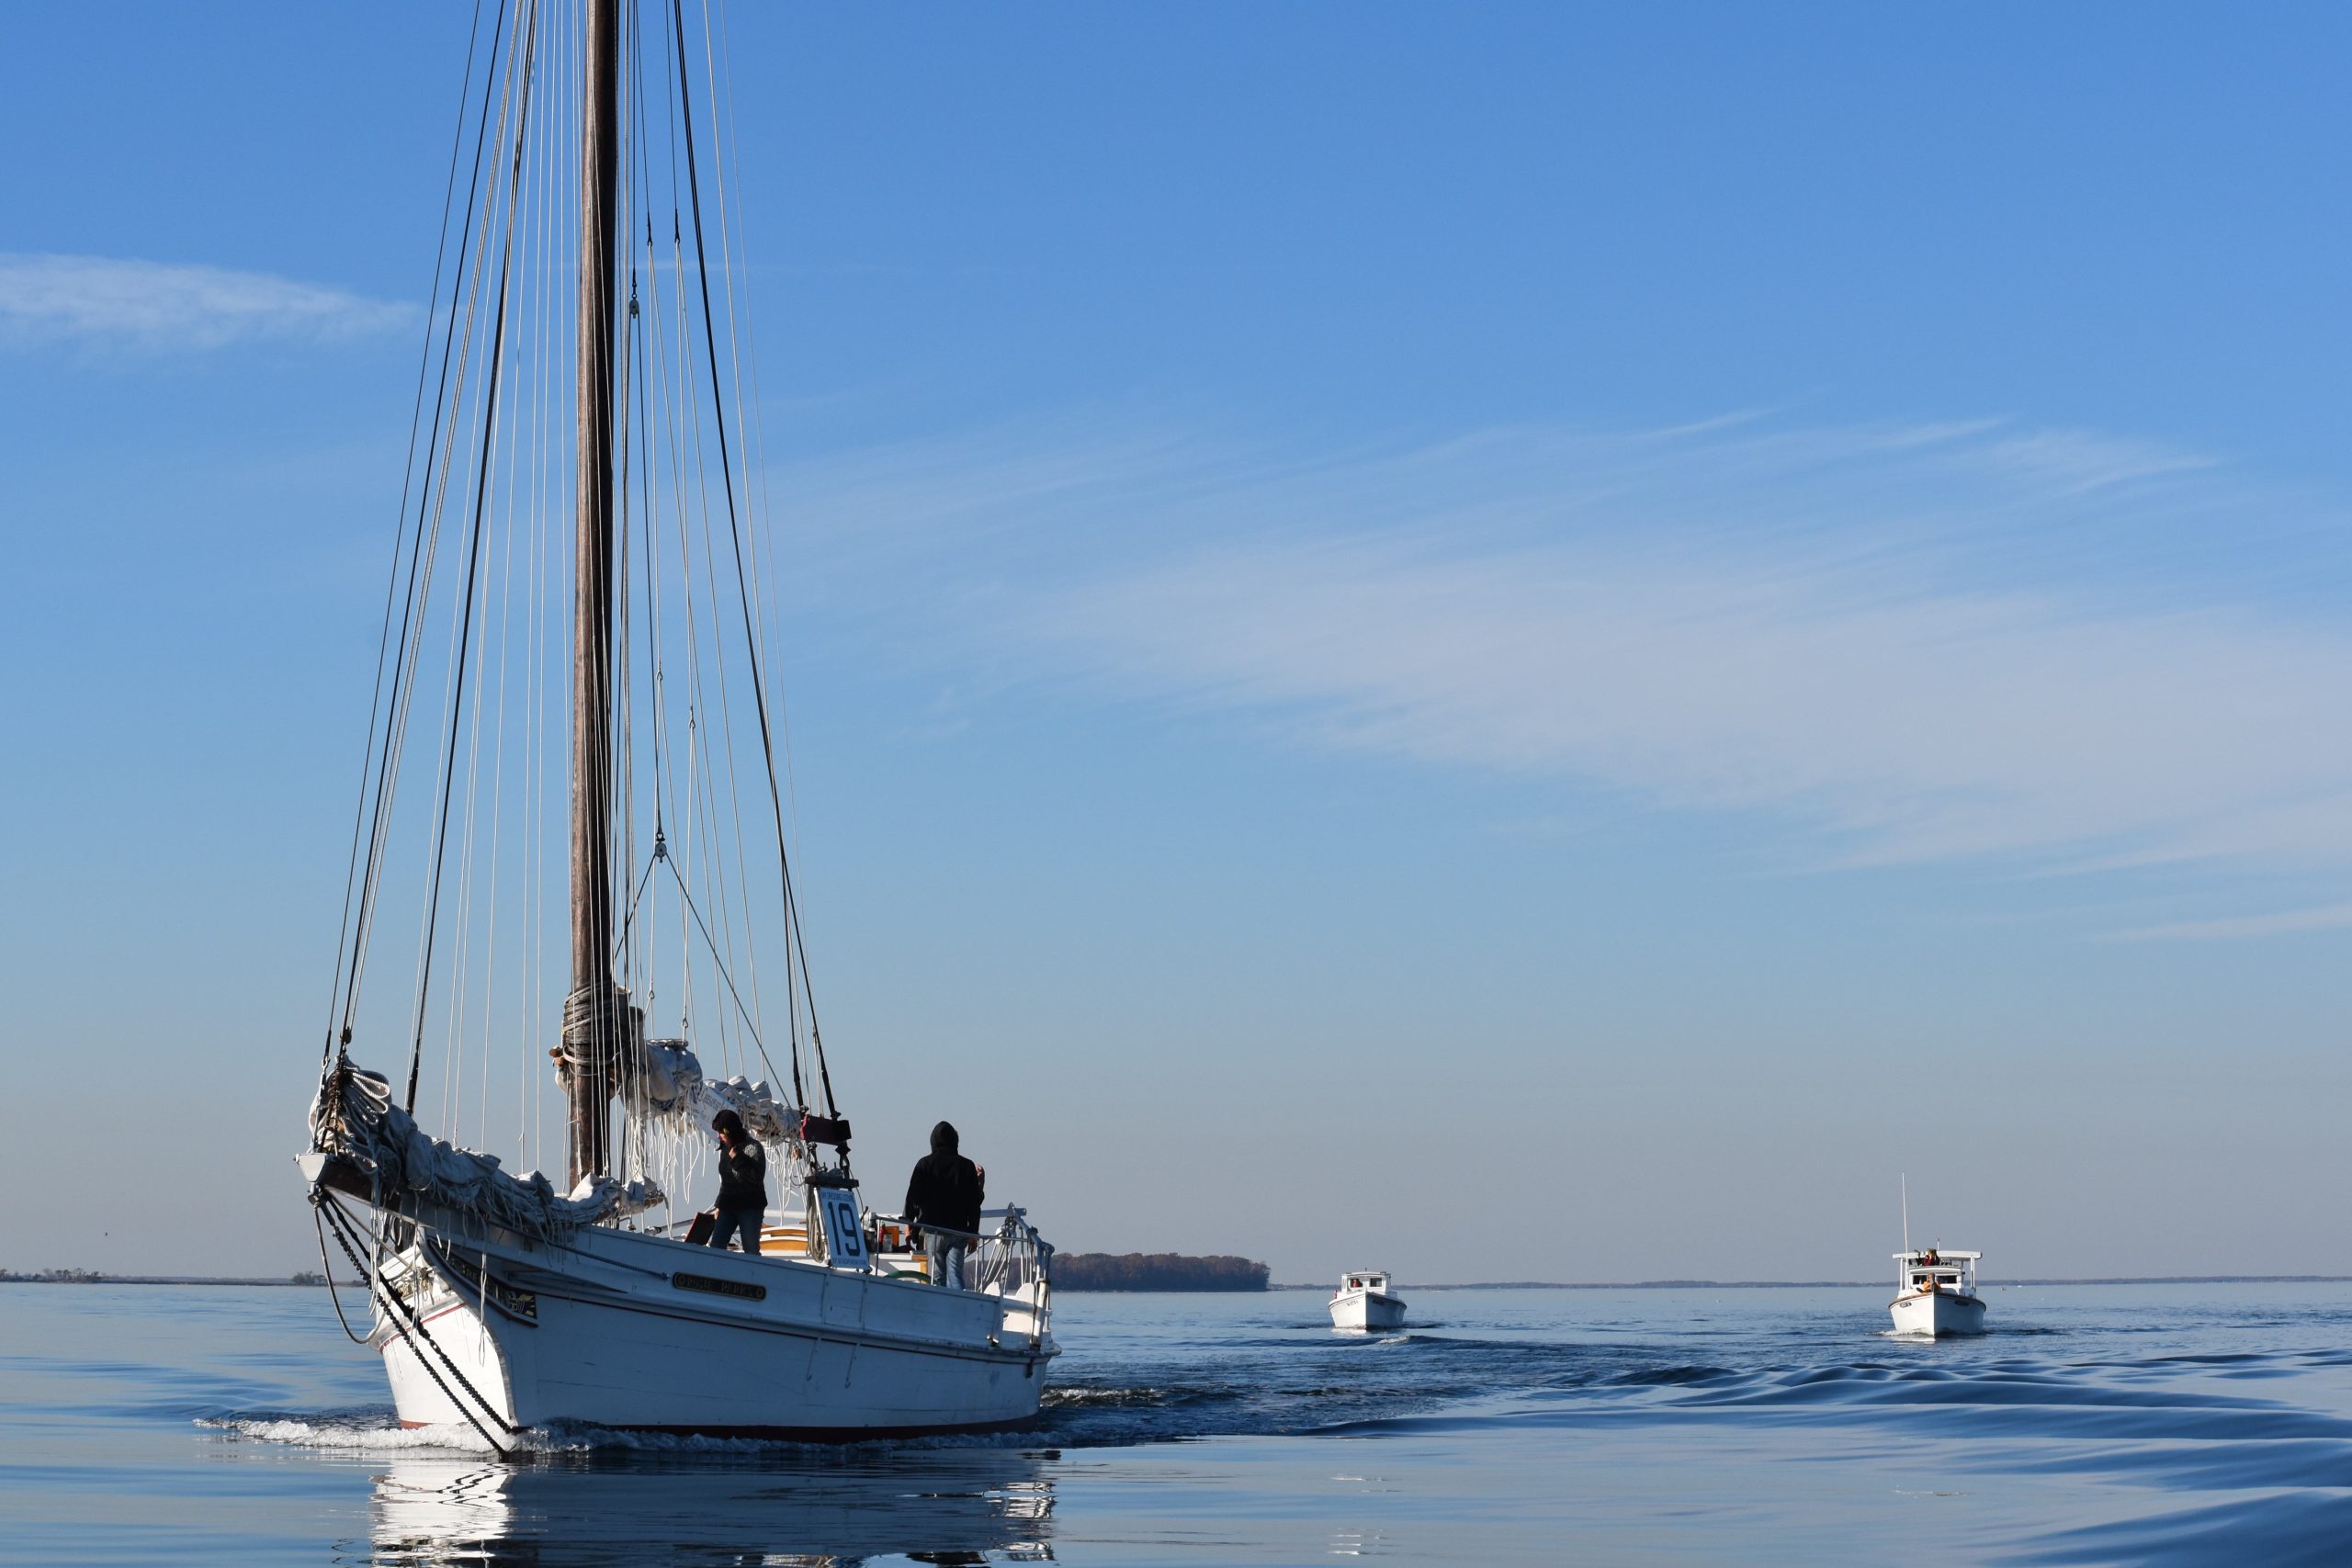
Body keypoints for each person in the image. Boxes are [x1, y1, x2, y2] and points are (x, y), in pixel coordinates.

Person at [902, 1120, 984, 1289]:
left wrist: (908, 1224)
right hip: (958, 1230)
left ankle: (939, 1308)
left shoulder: (924, 1164)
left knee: (937, 1276)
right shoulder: (967, 1166)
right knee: (955, 1274)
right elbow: (974, 1204)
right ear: (955, 1141)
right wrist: (973, 1233)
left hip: (934, 1230)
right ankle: (959, 1307)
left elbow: (912, 1198)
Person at [707, 1109, 766, 1255]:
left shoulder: (754, 1147)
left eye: (721, 1132)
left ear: (729, 1132)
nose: (718, 1136)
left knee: (750, 1249)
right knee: (716, 1246)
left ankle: (753, 1276)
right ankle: (718, 1276)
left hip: (750, 1207)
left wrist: (738, 1158)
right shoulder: (725, 1149)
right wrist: (719, 1205)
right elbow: (726, 1181)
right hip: (728, 1205)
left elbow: (756, 1178)